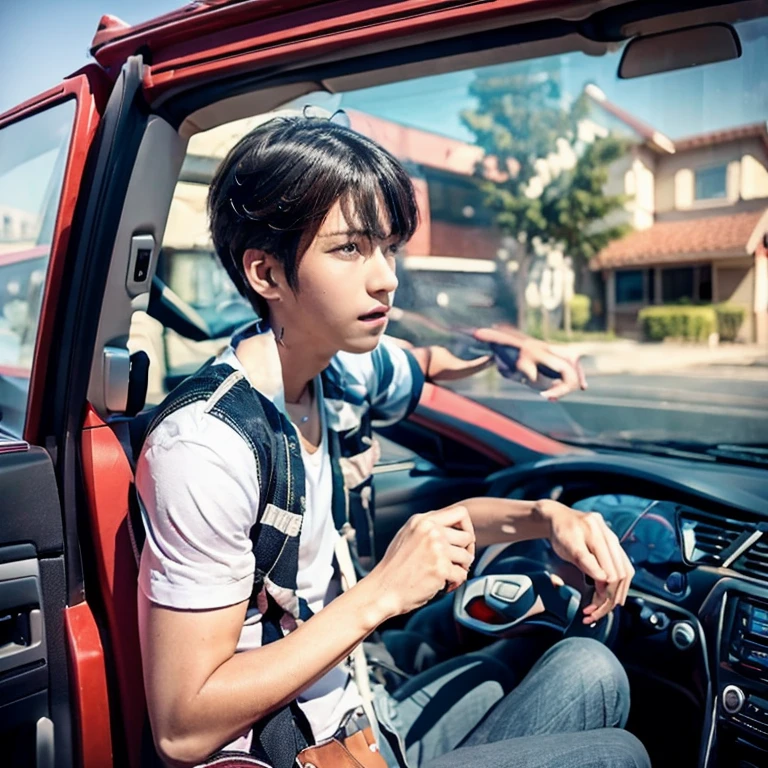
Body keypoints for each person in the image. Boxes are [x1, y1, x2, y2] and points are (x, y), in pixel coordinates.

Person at [135, 115, 650, 768]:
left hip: (369, 711)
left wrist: (548, 515)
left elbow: (425, 361)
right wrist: (380, 594)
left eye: (388, 247)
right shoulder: (206, 447)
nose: (386, 279)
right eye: (351, 249)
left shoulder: (342, 368)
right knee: (619, 756)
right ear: (265, 274)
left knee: (590, 666)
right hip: (303, 751)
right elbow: (182, 726)